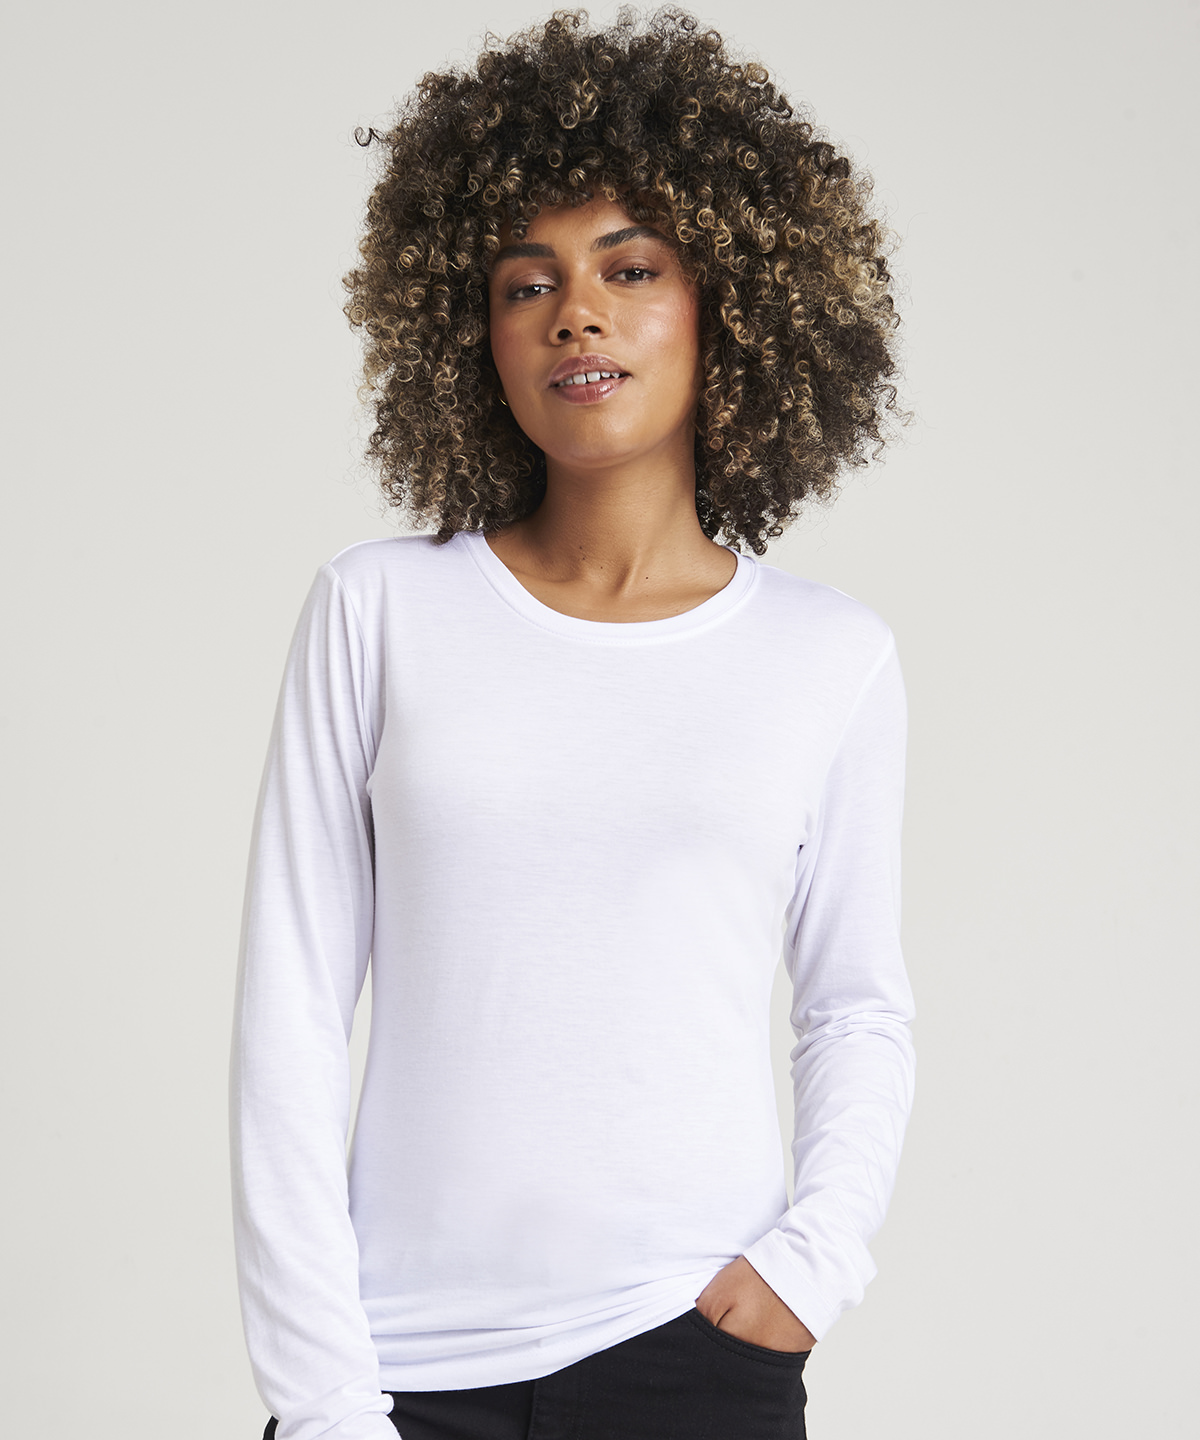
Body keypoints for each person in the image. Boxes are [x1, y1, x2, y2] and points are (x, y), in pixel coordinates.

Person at [230, 8, 915, 1439]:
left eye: (631, 267)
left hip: (691, 1353)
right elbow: (291, 1015)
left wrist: (809, 1267)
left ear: (732, 299)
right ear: (471, 333)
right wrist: (324, 1396)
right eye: (525, 282)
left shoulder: (826, 657)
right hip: (397, 1370)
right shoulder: (379, 611)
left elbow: (854, 1005)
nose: (574, 313)